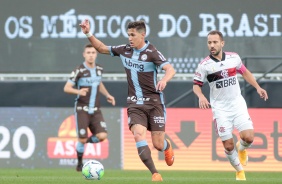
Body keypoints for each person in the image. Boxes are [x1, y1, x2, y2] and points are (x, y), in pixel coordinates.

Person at [80, 19, 176, 181]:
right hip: (135, 103)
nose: (130, 38)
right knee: (138, 134)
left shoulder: (152, 52)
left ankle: (167, 146)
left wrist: (164, 80)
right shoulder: (124, 50)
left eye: (133, 35)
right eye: (128, 35)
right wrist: (88, 33)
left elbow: (170, 69)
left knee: (158, 144)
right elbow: (101, 48)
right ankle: (155, 173)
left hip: (154, 103)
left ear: (142, 35)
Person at [193, 30, 268, 180]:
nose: (212, 45)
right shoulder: (204, 65)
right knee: (228, 146)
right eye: (209, 42)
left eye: (215, 42)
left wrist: (258, 87)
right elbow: (196, 85)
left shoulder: (234, 58)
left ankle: (241, 148)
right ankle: (240, 171)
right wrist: (200, 96)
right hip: (220, 109)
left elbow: (245, 73)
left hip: (237, 104)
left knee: (249, 138)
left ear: (222, 43)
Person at [64, 44, 116, 171]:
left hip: (96, 110)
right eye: (88, 52)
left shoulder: (99, 69)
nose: (91, 55)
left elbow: (99, 83)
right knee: (81, 137)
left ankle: (83, 142)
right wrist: (78, 92)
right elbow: (66, 88)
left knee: (102, 136)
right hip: (82, 109)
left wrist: (108, 95)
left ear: (96, 54)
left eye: (93, 52)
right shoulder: (79, 70)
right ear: (84, 54)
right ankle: (80, 163)